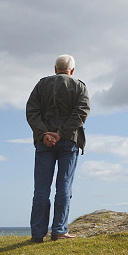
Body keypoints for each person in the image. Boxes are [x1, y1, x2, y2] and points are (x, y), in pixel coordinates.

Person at [26, 54, 90, 242]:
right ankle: (59, 230)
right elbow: (81, 113)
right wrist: (61, 134)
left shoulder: (41, 84)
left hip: (44, 141)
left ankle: (38, 234)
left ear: (55, 69)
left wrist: (45, 133)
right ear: (72, 71)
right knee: (64, 186)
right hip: (69, 140)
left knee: (41, 189)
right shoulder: (79, 86)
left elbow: (31, 111)